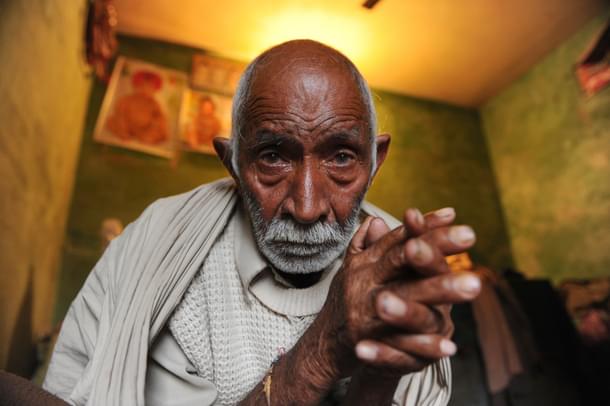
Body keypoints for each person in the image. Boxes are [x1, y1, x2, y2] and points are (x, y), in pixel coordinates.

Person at [43, 40, 481, 405]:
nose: (307, 208)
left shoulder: (400, 273)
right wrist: (325, 346)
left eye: (342, 157)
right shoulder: (158, 247)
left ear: (375, 161)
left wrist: (381, 373)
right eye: (273, 156)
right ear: (232, 162)